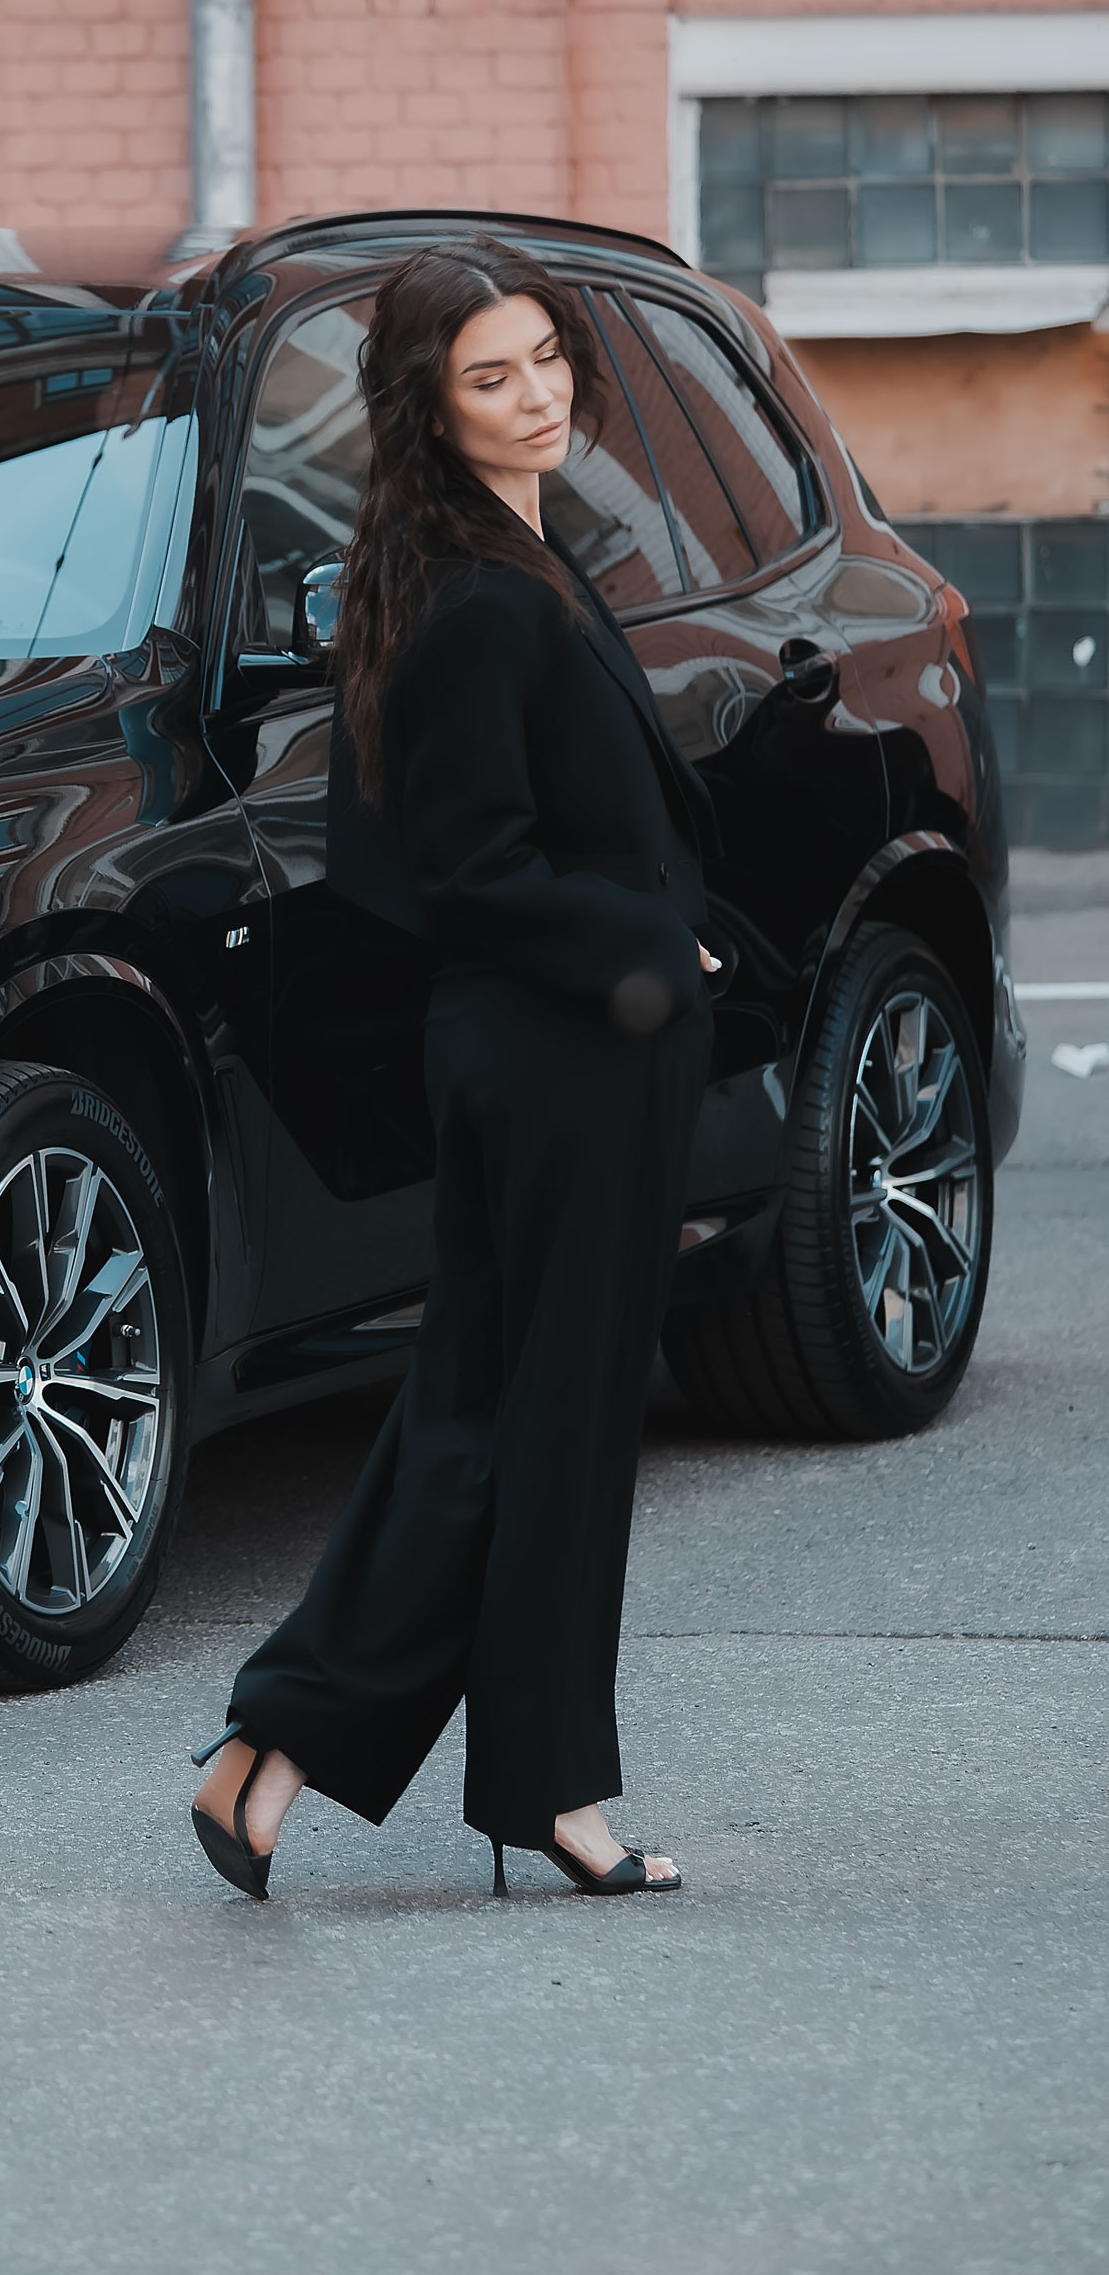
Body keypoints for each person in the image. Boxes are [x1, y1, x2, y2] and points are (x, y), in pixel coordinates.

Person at [191, 236, 722, 1902]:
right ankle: (523, 1789)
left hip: (535, 1054)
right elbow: (468, 866)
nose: (538, 394)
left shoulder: (477, 555)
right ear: (430, 408)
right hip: (560, 1055)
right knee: (548, 1428)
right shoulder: (481, 597)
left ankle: (280, 1750)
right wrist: (644, 953)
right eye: (491, 378)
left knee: (484, 1413)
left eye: (547, 359)